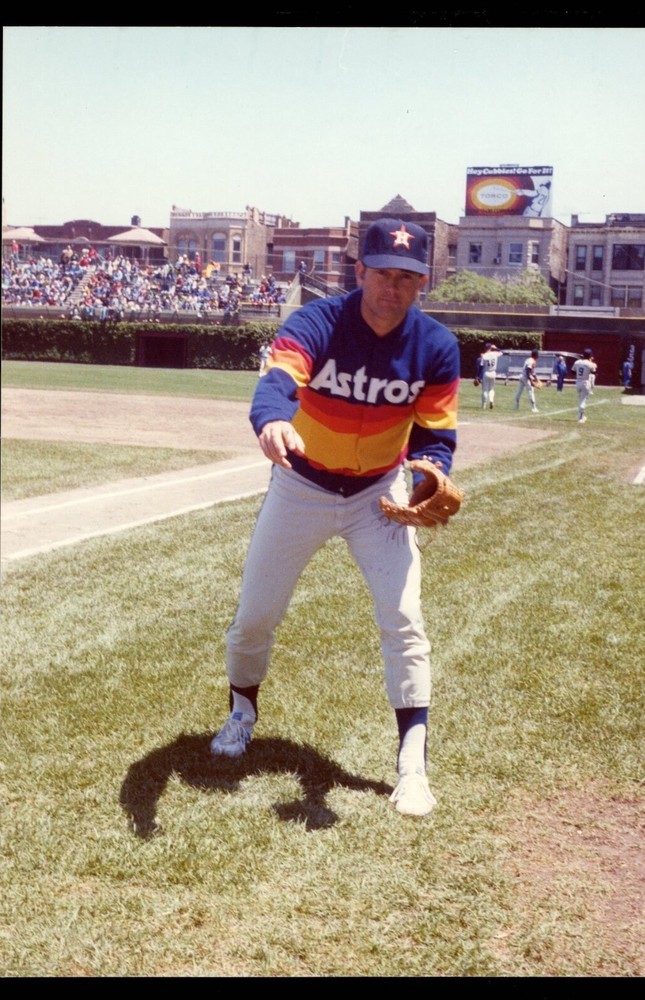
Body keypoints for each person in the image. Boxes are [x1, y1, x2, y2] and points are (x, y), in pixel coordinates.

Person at [209, 218, 460, 818]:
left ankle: (412, 765)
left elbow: (436, 432)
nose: (391, 288)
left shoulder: (436, 346)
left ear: (421, 283)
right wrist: (271, 419)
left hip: (379, 494)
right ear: (360, 271)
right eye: (382, 273)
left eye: (406, 277)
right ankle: (242, 713)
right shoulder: (316, 321)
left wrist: (428, 472)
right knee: (254, 616)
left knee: (404, 620)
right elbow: (279, 381)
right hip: (302, 485)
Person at [573, 348, 597, 424]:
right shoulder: (590, 363)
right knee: (584, 400)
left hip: (578, 382)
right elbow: (594, 372)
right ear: (590, 355)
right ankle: (580, 417)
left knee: (580, 399)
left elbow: (572, 371)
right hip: (585, 382)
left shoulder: (577, 362)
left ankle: (581, 415)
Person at [478, 342, 502, 409]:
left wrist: (477, 376)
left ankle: (484, 405)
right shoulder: (495, 353)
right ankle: (491, 400)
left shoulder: (484, 356)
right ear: (490, 348)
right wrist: (496, 348)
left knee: (485, 390)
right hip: (493, 373)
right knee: (491, 389)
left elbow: (481, 366)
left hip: (486, 372)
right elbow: (501, 352)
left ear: (485, 348)